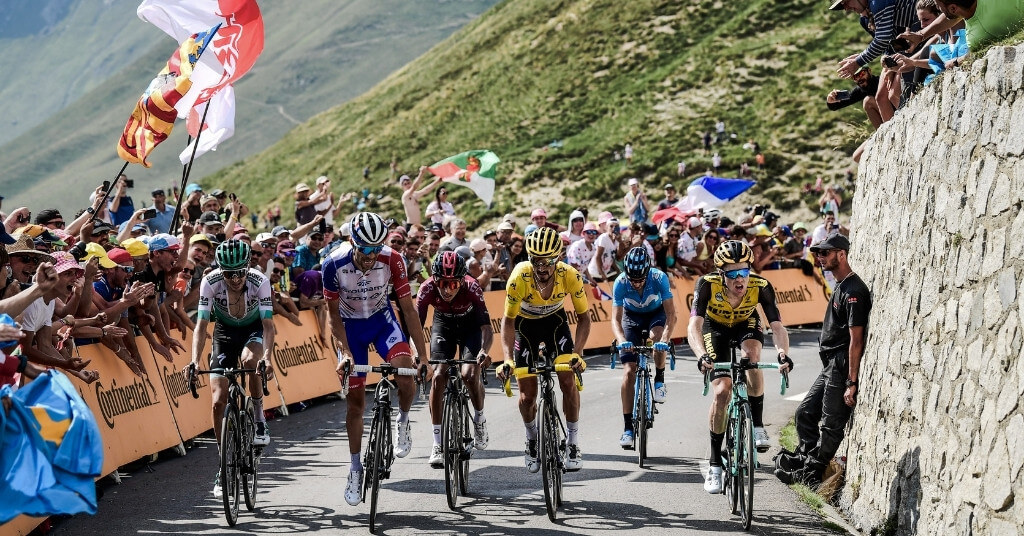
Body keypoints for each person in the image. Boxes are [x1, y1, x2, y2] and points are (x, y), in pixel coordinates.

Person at [322, 212, 428, 507]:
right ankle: (355, 468)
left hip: (382, 321)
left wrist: (423, 355)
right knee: (355, 402)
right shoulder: (332, 263)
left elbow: (408, 310)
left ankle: (403, 419)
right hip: (350, 328)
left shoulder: (392, 259)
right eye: (365, 248)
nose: (371, 255)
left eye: (376, 248)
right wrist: (343, 354)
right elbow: (332, 317)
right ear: (353, 242)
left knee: (406, 372)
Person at [687, 240, 792, 494]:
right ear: (721, 274)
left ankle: (756, 425)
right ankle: (714, 464)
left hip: (746, 323)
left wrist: (782, 354)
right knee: (722, 391)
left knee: (752, 356)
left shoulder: (761, 286)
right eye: (732, 274)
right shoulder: (706, 285)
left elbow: (777, 326)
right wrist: (701, 355)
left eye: (744, 272)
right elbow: (694, 326)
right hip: (716, 328)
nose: (740, 279)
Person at [775, 233, 871, 486]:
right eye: (818, 253)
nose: (820, 258)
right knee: (805, 412)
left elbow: (856, 341)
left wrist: (852, 381)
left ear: (842, 254)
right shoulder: (840, 285)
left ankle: (812, 473)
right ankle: (805, 457)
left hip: (841, 364)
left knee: (831, 423)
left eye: (825, 253)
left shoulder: (854, 290)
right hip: (829, 364)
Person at [496, 227, 590, 472]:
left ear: (558, 258)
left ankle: (573, 442)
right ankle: (531, 439)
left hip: (555, 324)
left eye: (548, 261)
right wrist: (507, 359)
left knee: (568, 382)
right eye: (537, 260)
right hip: (526, 326)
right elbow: (507, 321)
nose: (542, 267)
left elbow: (584, 318)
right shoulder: (519, 277)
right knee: (527, 396)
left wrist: (577, 353)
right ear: (530, 258)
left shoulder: (570, 275)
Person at [188, 240, 276, 495]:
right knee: (217, 401)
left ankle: (259, 416)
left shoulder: (260, 281)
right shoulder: (211, 281)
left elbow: (269, 326)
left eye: (240, 271)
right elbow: (202, 326)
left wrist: (267, 357)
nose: (235, 278)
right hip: (224, 333)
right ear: (221, 269)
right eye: (229, 273)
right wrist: (194, 360)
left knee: (251, 362)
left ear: (248, 266)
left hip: (254, 329)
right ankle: (224, 464)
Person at [417, 252, 493, 468]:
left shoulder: (472, 287)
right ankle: (437, 443)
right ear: (434, 279)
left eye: (453, 284)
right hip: (443, 326)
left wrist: (484, 351)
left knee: (469, 374)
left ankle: (479, 418)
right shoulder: (427, 289)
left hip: (470, 328)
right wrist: (418, 355)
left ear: (462, 280)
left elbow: (486, 327)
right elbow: (416, 327)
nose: (446, 289)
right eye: (441, 283)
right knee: (439, 375)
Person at [610, 247, 676, 449]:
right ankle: (628, 427)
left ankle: (659, 379)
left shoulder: (659, 277)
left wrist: (665, 338)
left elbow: (671, 315)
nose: (636, 283)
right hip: (631, 318)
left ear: (648, 272)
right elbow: (615, 318)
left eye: (640, 279)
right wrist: (621, 339)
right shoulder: (620, 282)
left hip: (655, 315)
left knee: (657, 339)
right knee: (629, 371)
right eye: (633, 279)